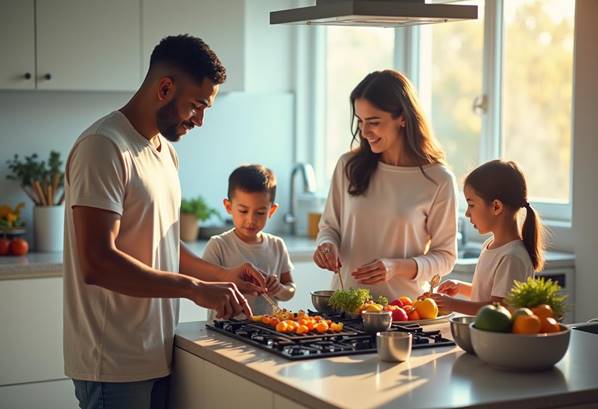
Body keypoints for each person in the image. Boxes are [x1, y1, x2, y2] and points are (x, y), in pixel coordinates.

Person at [63, 35, 266, 409]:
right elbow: (97, 263)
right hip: (113, 361)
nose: (201, 120)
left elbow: (164, 245)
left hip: (157, 351)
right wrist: (193, 288)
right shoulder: (103, 147)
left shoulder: (165, 154)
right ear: (165, 88)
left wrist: (221, 277)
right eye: (196, 106)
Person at [313, 69, 458, 301]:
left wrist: (396, 267)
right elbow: (329, 227)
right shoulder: (348, 166)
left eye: (374, 122)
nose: (364, 131)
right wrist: (326, 245)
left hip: (403, 311)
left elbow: (445, 257)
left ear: (402, 117)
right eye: (360, 121)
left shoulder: (438, 179)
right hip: (346, 307)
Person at [430, 160, 543, 315]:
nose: (467, 213)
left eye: (471, 205)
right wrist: (460, 287)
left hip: (498, 339)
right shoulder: (490, 245)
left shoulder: (511, 257)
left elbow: (499, 308)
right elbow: (489, 295)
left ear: (496, 206)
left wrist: (453, 305)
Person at [203, 165, 296, 320]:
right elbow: (204, 291)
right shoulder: (218, 245)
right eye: (243, 211)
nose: (251, 220)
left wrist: (279, 288)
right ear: (228, 207)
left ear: (271, 211)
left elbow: (290, 289)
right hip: (223, 331)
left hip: (267, 332)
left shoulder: (277, 245)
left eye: (260, 212)